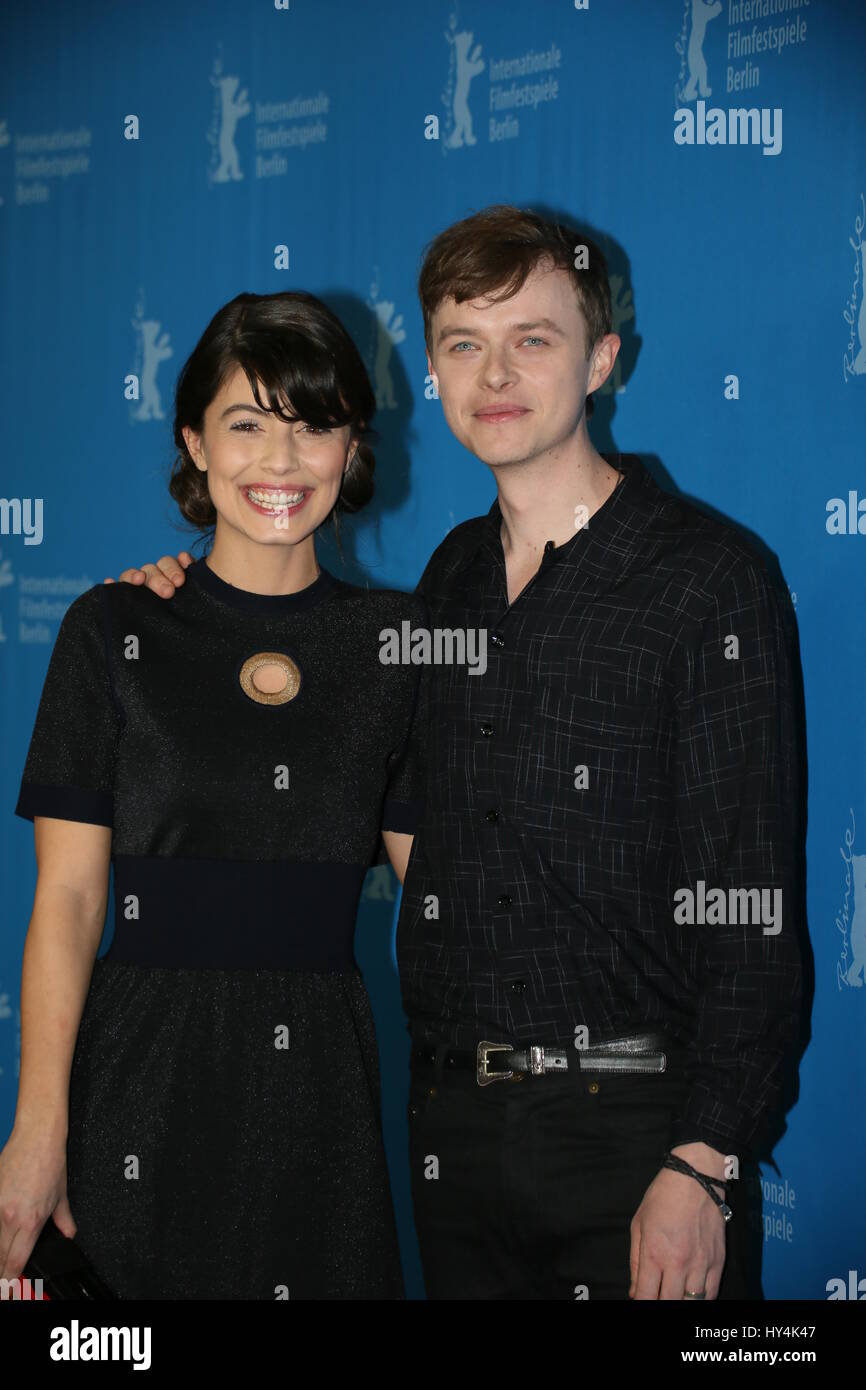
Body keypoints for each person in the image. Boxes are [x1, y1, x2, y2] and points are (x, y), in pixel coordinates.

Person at [104, 205, 804, 1301]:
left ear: (602, 357)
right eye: (461, 344)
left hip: (635, 1137)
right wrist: (178, 598)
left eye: (532, 338)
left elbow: (751, 910)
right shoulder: (446, 584)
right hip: (453, 1138)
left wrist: (700, 1160)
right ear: (430, 370)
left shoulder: (708, 579)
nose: (494, 373)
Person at [1, 290, 428, 1300]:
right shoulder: (113, 630)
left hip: (319, 1092)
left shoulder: (398, 648)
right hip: (138, 1084)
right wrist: (36, 1126)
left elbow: (444, 891)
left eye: (312, 426)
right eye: (245, 425)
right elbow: (66, 901)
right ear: (193, 441)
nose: (278, 464)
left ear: (351, 448)